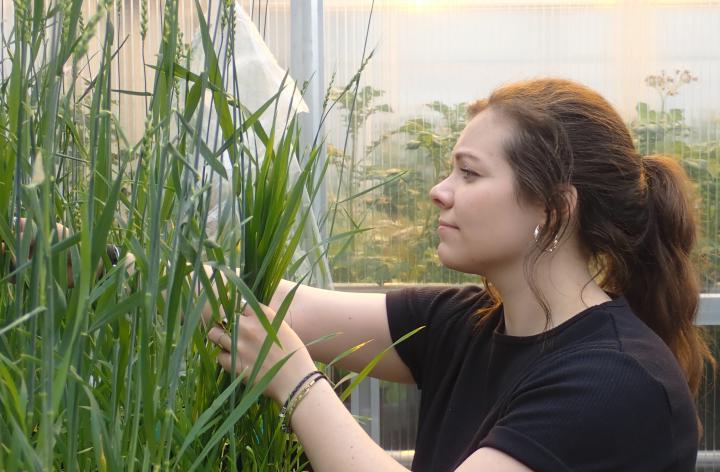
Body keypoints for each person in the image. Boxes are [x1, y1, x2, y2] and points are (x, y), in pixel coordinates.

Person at [204, 77, 715, 471]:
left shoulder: (616, 378)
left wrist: (296, 382)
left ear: (553, 209)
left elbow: (288, 351)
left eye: (469, 173)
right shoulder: (468, 322)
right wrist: (143, 266)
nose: (439, 191)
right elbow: (269, 302)